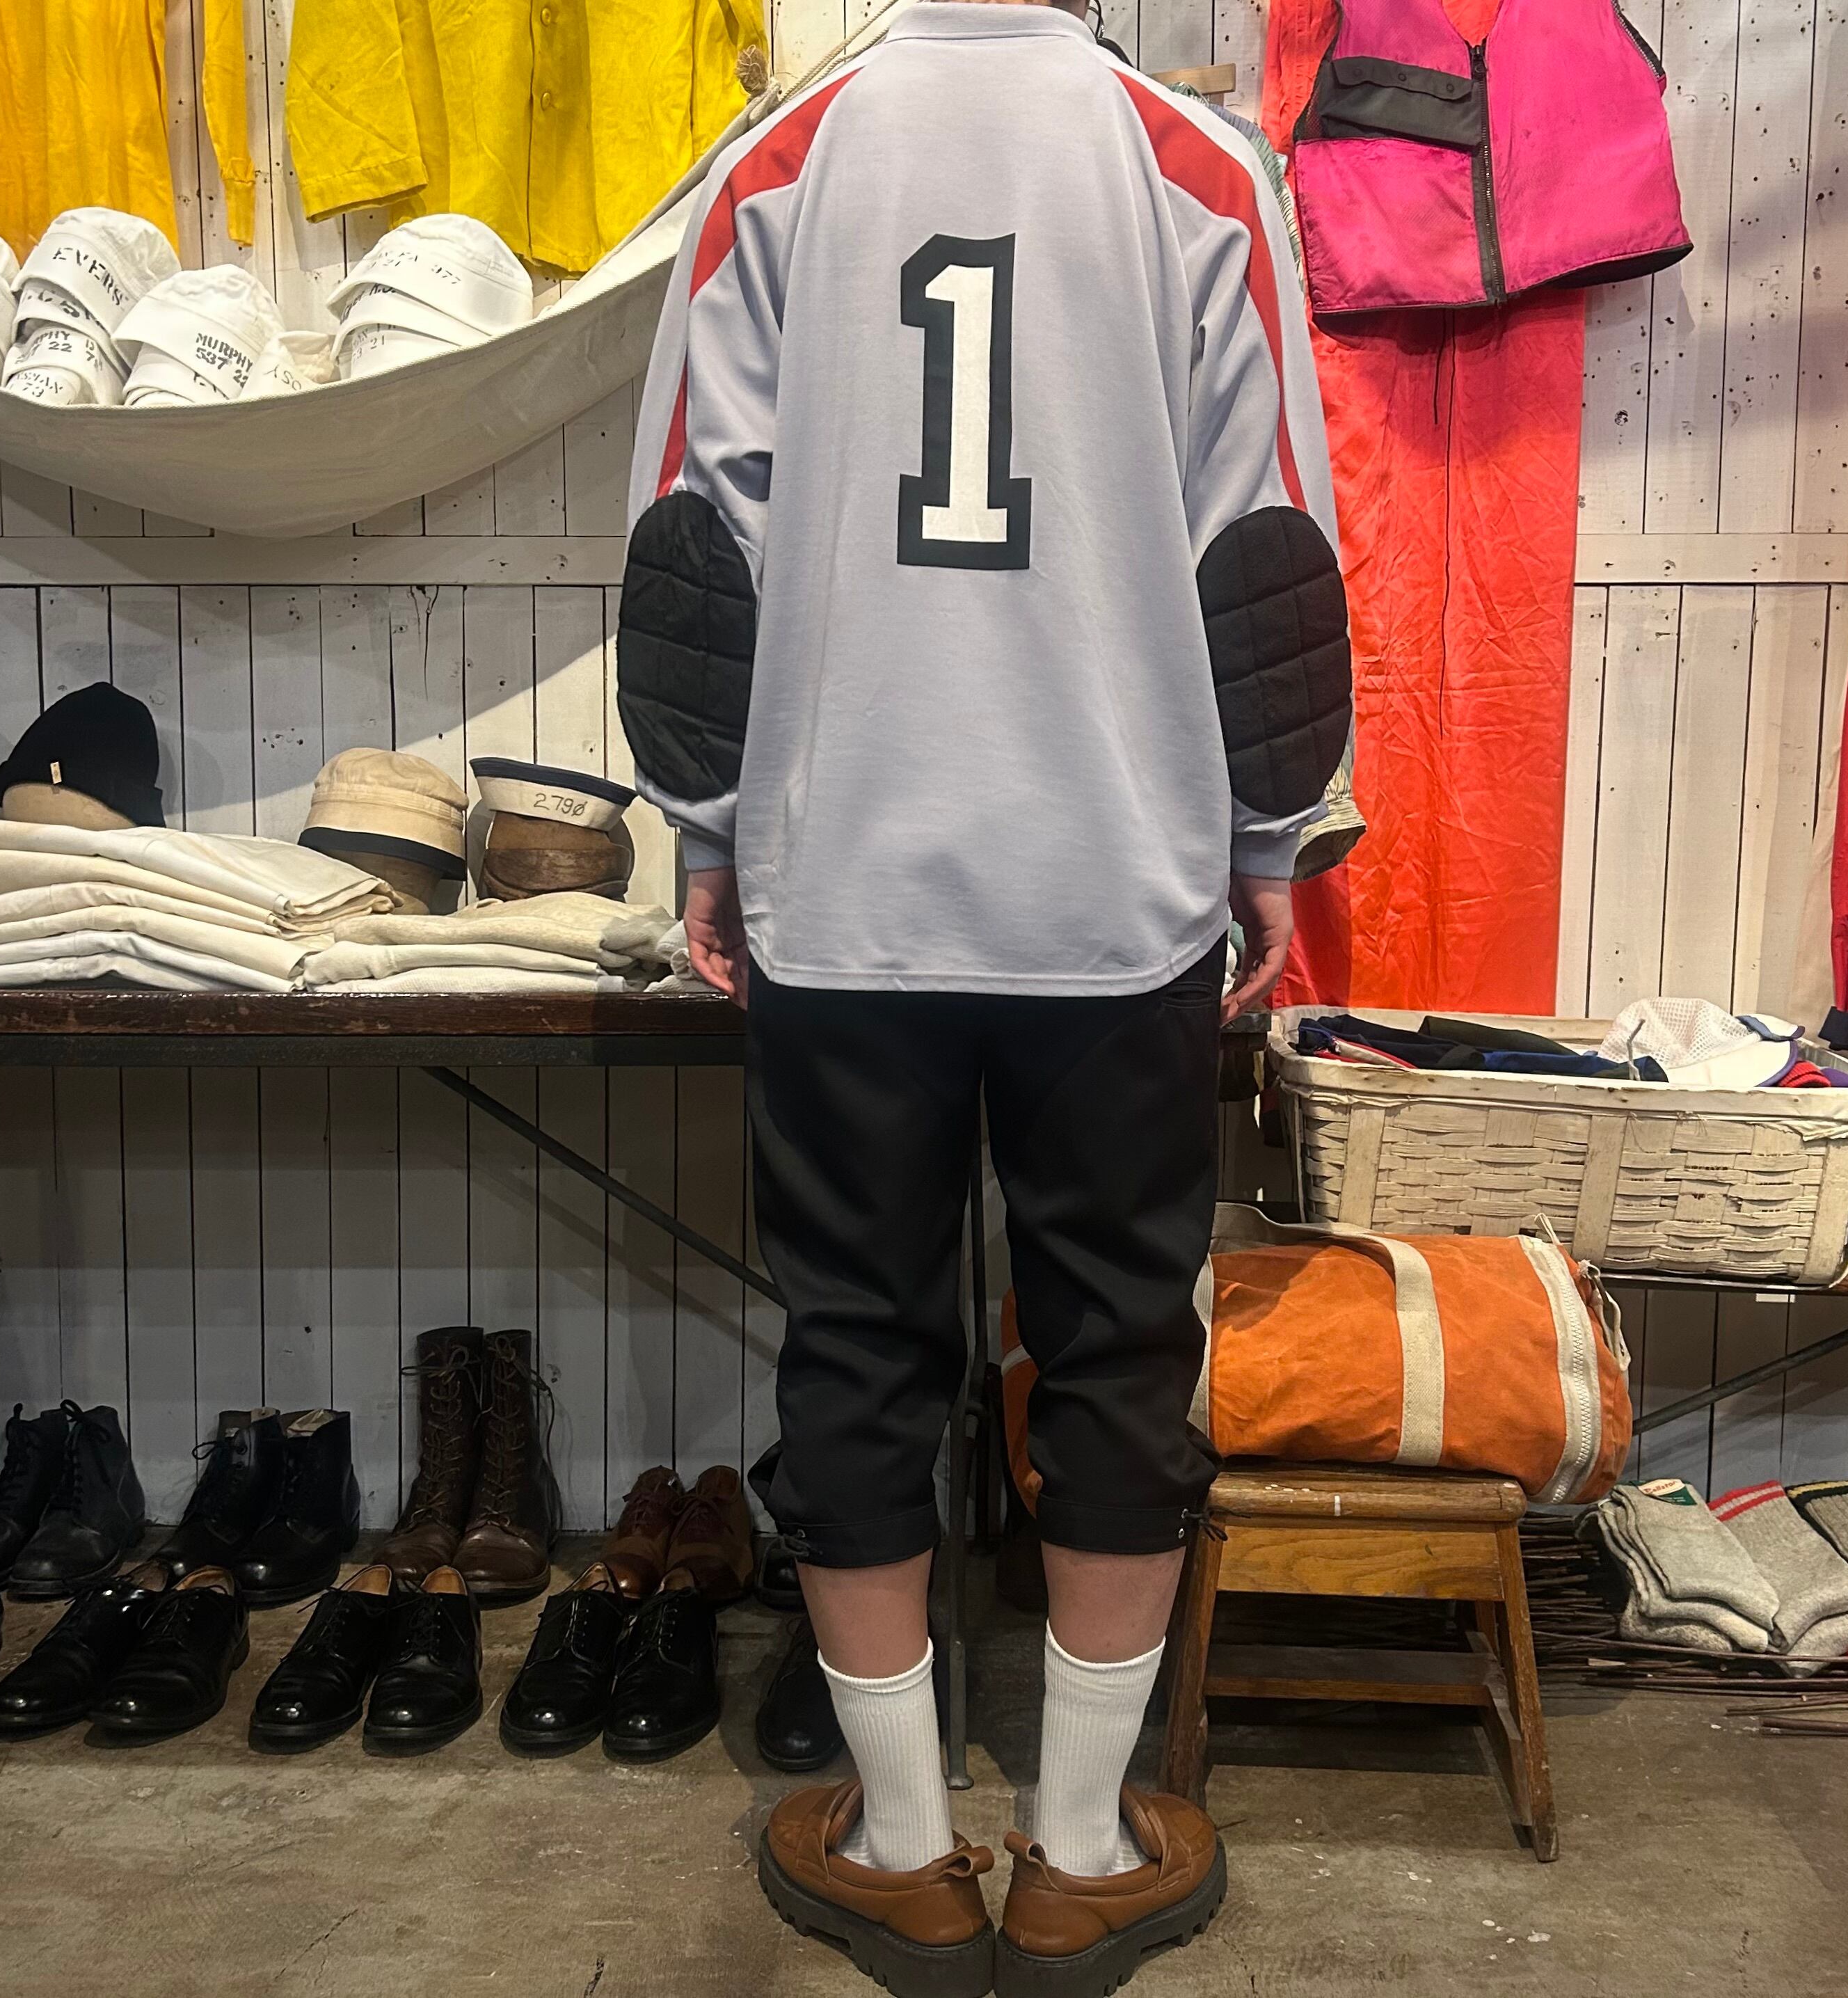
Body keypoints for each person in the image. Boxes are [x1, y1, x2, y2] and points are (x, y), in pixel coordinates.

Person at [616, 1, 1350, 1990]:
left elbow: (695, 537)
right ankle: (1085, 1848)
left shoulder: (781, 159)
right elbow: (1266, 539)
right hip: (1112, 887)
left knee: (857, 1341)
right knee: (1117, 1346)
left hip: (845, 879)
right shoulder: (1196, 168)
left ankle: (905, 1845)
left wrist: (705, 831)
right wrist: (1270, 838)